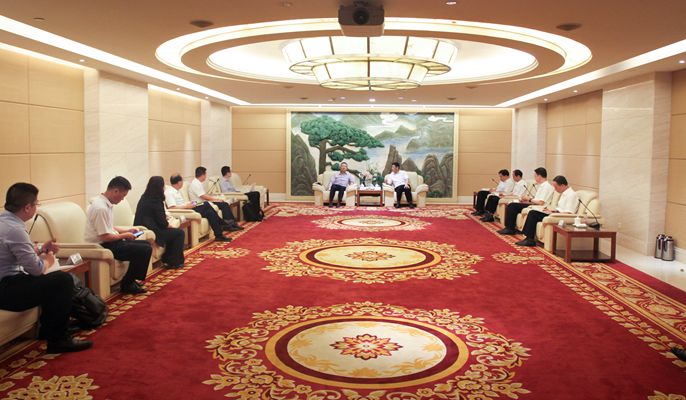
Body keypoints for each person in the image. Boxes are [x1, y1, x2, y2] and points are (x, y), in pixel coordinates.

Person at [0, 183, 93, 353]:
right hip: (6, 289)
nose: (37, 207)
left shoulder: (5, 222)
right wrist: (48, 260)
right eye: (36, 204)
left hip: (8, 282)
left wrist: (41, 250)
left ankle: (48, 330)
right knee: (62, 280)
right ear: (27, 207)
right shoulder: (15, 229)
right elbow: (36, 269)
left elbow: (15, 253)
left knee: (52, 281)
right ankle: (59, 339)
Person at [85, 176, 152, 294]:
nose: (122, 199)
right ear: (116, 191)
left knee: (146, 244)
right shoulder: (100, 208)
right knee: (144, 249)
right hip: (103, 245)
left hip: (111, 241)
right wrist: (125, 235)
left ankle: (131, 281)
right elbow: (105, 236)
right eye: (123, 196)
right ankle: (127, 284)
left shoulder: (105, 204)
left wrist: (127, 231)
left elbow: (109, 227)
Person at [134, 176, 185, 269]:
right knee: (179, 233)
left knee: (173, 233)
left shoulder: (144, 197)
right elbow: (162, 222)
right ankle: (173, 261)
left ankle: (168, 258)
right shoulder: (156, 200)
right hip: (153, 231)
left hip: (142, 229)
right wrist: (168, 225)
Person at [165, 174, 233, 241]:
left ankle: (219, 235)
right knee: (206, 204)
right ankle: (222, 223)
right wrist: (186, 206)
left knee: (210, 212)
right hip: (186, 211)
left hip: (188, 206)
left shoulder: (177, 191)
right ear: (179, 182)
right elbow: (172, 208)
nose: (183, 183)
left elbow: (182, 203)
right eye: (182, 181)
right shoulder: (169, 192)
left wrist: (192, 203)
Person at [516, 175, 579, 247]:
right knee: (533, 212)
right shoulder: (564, 193)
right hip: (555, 214)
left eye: (556, 187)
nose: (555, 189)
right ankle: (528, 238)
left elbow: (569, 212)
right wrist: (552, 210)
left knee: (533, 214)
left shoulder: (571, 195)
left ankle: (529, 239)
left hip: (559, 217)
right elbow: (561, 208)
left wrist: (554, 212)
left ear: (562, 185)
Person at [497, 167, 555, 235]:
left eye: (535, 176)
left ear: (539, 176)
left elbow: (541, 202)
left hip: (538, 207)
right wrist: (526, 200)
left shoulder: (546, 187)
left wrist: (529, 199)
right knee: (512, 205)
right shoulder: (542, 186)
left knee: (513, 206)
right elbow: (537, 199)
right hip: (534, 204)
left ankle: (510, 229)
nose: (534, 178)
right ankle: (509, 228)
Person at [188, 167, 243, 231]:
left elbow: (204, 195)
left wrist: (214, 198)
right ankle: (228, 225)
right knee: (223, 204)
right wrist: (215, 199)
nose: (206, 176)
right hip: (199, 204)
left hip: (203, 202)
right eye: (205, 174)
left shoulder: (198, 182)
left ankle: (232, 224)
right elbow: (203, 196)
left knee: (224, 204)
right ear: (202, 175)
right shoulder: (195, 183)